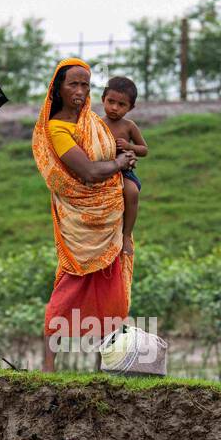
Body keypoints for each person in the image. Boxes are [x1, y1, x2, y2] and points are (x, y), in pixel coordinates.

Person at [31, 58, 138, 372]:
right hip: (81, 222)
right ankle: (49, 367)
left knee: (110, 297)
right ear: (58, 89)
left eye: (85, 85)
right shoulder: (57, 128)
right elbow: (89, 172)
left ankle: (101, 366)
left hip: (110, 220)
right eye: (73, 84)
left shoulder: (95, 122)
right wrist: (120, 164)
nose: (80, 91)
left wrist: (127, 156)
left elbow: (115, 153)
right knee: (66, 294)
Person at [100, 76, 148, 257]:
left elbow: (144, 150)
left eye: (121, 105)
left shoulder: (129, 126)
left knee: (132, 192)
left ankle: (126, 235)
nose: (114, 108)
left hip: (123, 172)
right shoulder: (96, 124)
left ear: (131, 108)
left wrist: (129, 147)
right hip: (100, 170)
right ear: (102, 99)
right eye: (110, 101)